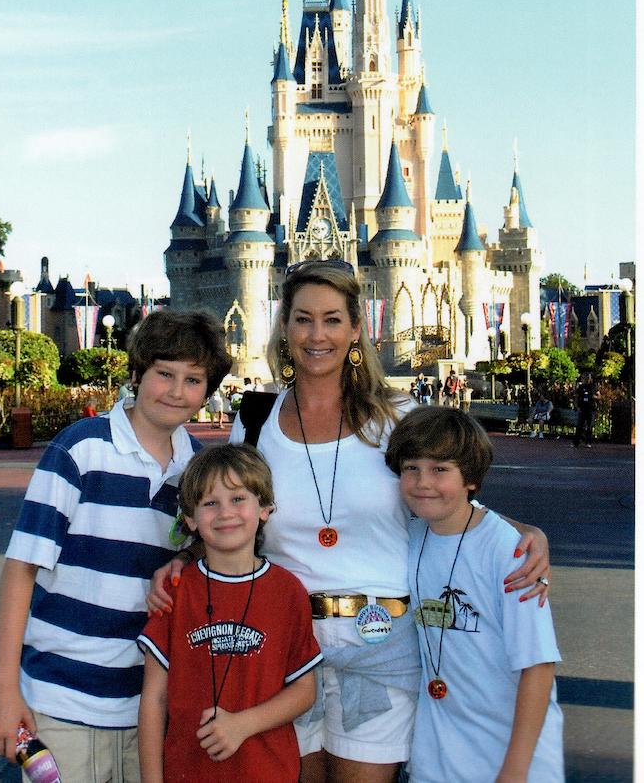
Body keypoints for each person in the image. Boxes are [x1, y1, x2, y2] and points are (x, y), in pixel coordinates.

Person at [148, 260, 550, 783]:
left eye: (332, 320)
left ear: (356, 329)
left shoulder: (397, 417)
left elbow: (446, 501)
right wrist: (185, 558)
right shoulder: (256, 422)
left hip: (380, 644)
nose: (317, 335)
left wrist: (522, 531)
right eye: (303, 319)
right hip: (281, 646)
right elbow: (228, 510)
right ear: (284, 327)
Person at [0, 309, 232, 782]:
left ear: (207, 391)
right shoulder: (82, 449)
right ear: (136, 374)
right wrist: (3, 688)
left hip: (147, 707)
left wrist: (184, 556)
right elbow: (22, 566)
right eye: (164, 374)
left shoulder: (197, 469)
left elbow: (208, 549)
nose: (177, 391)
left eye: (193, 380)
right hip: (62, 701)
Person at [385, 407, 564, 782]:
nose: (422, 482)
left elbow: (538, 667)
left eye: (440, 469)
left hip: (511, 759)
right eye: (411, 467)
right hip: (437, 760)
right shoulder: (409, 537)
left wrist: (515, 770)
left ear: (470, 477)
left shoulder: (511, 552)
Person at [138, 444, 322, 782]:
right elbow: (154, 698)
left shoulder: (287, 591)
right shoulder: (175, 592)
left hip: (267, 772)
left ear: (264, 508)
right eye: (210, 503)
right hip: (188, 772)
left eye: (238, 499)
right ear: (190, 518)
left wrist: (243, 724)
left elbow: (304, 690)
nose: (225, 513)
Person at [573, 372, 596, 448]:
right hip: (582, 408)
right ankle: (576, 442)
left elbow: (598, 395)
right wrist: (576, 406)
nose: (586, 380)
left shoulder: (593, 387)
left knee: (589, 426)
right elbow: (576, 396)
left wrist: (593, 397)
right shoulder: (581, 387)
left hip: (590, 408)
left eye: (588, 378)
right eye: (584, 378)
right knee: (579, 425)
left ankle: (588, 442)